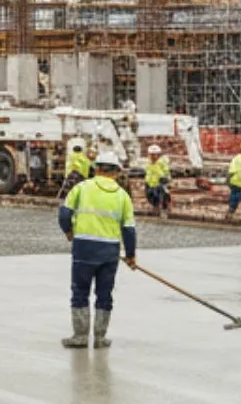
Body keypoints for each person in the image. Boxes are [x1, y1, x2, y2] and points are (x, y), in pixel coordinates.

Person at [58, 147, 137, 349]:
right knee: (105, 293)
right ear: (116, 172)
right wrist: (130, 255)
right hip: (110, 252)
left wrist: (68, 231)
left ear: (96, 169)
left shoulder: (81, 188)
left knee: (80, 291)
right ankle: (100, 338)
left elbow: (64, 214)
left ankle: (80, 336)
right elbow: (129, 230)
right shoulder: (123, 196)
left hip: (84, 248)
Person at [142, 144, 171, 219]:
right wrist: (146, 181)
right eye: (151, 155)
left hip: (160, 183)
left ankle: (164, 210)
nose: (153, 157)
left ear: (158, 155)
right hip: (150, 184)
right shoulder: (148, 163)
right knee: (150, 196)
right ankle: (156, 207)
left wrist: (166, 179)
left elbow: (167, 172)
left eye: (154, 155)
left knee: (163, 196)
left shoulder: (162, 163)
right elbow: (147, 172)